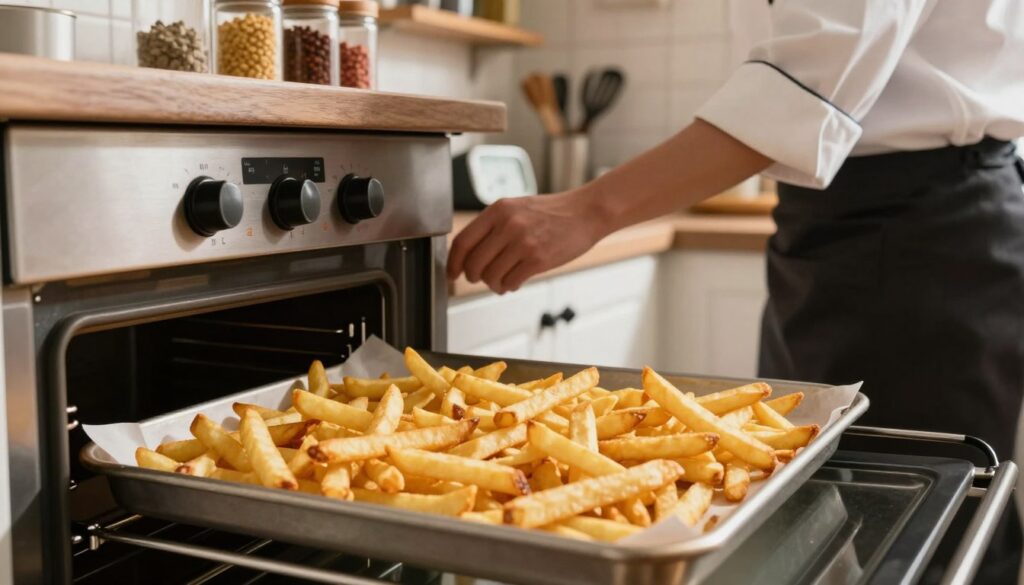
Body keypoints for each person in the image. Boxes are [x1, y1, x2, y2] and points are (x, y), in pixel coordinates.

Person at [448, 1, 1024, 583]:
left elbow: (801, 89)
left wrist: (588, 209)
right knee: (810, 502)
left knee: (928, 535)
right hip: (825, 224)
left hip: (929, 234)